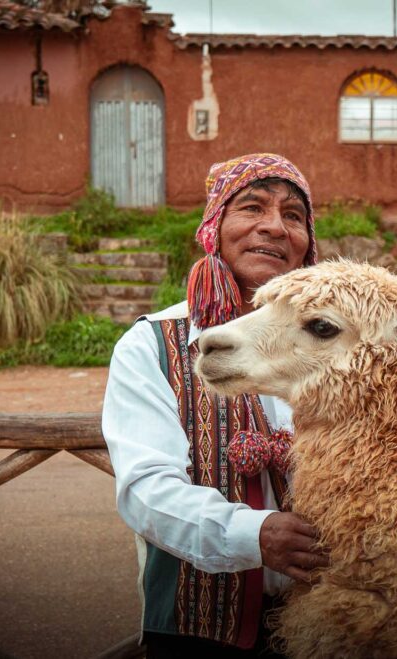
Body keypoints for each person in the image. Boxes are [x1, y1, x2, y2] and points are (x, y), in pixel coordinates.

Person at [102, 153, 329, 658]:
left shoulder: (332, 344)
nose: (275, 226)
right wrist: (255, 535)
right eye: (252, 207)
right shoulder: (152, 347)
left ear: (307, 242)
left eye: (293, 215)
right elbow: (146, 491)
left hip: (329, 623)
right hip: (198, 626)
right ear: (214, 227)